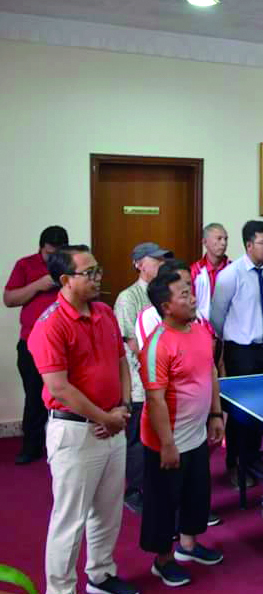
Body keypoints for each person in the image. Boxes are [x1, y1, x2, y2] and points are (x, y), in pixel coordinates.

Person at [28, 245, 138, 594]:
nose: (97, 278)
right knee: (70, 521)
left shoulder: (105, 312)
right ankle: (60, 590)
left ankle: (101, 575)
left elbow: (121, 361)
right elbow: (59, 388)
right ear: (65, 280)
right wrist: (104, 416)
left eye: (97, 269)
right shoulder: (50, 325)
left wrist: (120, 407)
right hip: (75, 432)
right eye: (88, 273)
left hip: (112, 424)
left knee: (108, 512)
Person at [140, 269, 225, 585]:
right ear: (166, 306)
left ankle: (188, 547)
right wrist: (167, 444)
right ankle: (161, 561)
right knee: (163, 503)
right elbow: (155, 400)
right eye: (185, 295)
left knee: (195, 494)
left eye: (191, 292)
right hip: (167, 440)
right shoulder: (157, 345)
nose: (193, 299)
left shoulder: (200, 331)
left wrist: (216, 414)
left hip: (197, 434)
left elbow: (211, 373)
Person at [210, 220, 263, 488]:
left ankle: (254, 459)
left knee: (262, 408)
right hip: (241, 352)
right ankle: (234, 464)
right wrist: (233, 342)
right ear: (249, 245)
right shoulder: (231, 275)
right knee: (239, 412)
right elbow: (217, 317)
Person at [114, 242, 172, 514]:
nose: (161, 264)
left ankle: (154, 484)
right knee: (137, 438)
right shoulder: (129, 298)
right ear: (139, 264)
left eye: (163, 260)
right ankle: (134, 490)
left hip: (164, 379)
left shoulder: (161, 294)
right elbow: (132, 341)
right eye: (155, 260)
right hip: (140, 382)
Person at [4, 225, 68, 465]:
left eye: (59, 253)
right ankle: (31, 447)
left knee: (64, 395)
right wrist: (38, 285)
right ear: (41, 248)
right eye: (50, 253)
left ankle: (61, 447)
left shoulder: (71, 264)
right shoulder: (25, 265)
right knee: (34, 396)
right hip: (31, 343)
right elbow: (9, 299)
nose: (54, 258)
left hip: (65, 343)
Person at [191, 223, 230, 321]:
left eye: (226, 239)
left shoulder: (233, 270)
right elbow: (190, 304)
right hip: (202, 329)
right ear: (205, 242)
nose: (223, 243)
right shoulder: (195, 271)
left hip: (230, 329)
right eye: (219, 238)